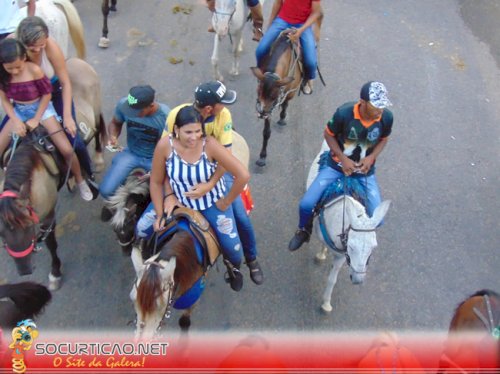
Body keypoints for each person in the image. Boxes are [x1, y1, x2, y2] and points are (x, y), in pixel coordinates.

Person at [143, 80, 264, 285]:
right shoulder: (174, 118)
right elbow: (161, 171)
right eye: (188, 132)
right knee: (141, 228)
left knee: (239, 225)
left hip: (216, 171)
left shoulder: (220, 121)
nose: (193, 136)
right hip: (178, 183)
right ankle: (145, 266)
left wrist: (213, 190)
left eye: (197, 132)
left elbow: (227, 160)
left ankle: (246, 260)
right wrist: (168, 196)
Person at [288, 81, 393, 251]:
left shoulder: (386, 117)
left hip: (364, 172)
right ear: (363, 102)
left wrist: (372, 157)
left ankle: (359, 238)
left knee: (378, 219)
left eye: (382, 106)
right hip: (336, 167)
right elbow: (328, 135)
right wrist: (343, 159)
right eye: (376, 106)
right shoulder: (344, 113)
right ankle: (304, 230)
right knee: (306, 204)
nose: (380, 110)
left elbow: (384, 139)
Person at [0, 38, 93, 201]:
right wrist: (15, 120)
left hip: (41, 110)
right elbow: (5, 101)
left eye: (17, 67)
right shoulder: (3, 76)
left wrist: (36, 119)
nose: (14, 72)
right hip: (19, 111)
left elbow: (46, 95)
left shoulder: (34, 70)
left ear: (23, 58)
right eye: (9, 68)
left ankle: (80, 179)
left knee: (66, 149)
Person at [13, 16, 94, 181]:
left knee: (73, 140)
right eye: (32, 48)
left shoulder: (51, 47)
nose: (38, 50)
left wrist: (67, 116)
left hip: (53, 91)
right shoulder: (12, 47)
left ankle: (87, 174)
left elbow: (66, 82)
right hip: (25, 98)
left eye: (41, 45)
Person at [99, 85, 169, 214]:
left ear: (151, 105)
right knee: (105, 191)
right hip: (132, 153)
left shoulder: (166, 117)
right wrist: (113, 136)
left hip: (155, 158)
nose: (131, 112)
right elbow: (115, 123)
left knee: (163, 198)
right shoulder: (124, 105)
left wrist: (157, 169)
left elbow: (168, 147)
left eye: (137, 111)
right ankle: (117, 204)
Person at [255, 0, 323, 95]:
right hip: (282, 20)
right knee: (260, 50)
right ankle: (262, 76)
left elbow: (316, 12)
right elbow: (278, 3)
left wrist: (301, 30)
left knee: (311, 61)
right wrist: (270, 23)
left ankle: (308, 78)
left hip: (302, 24)